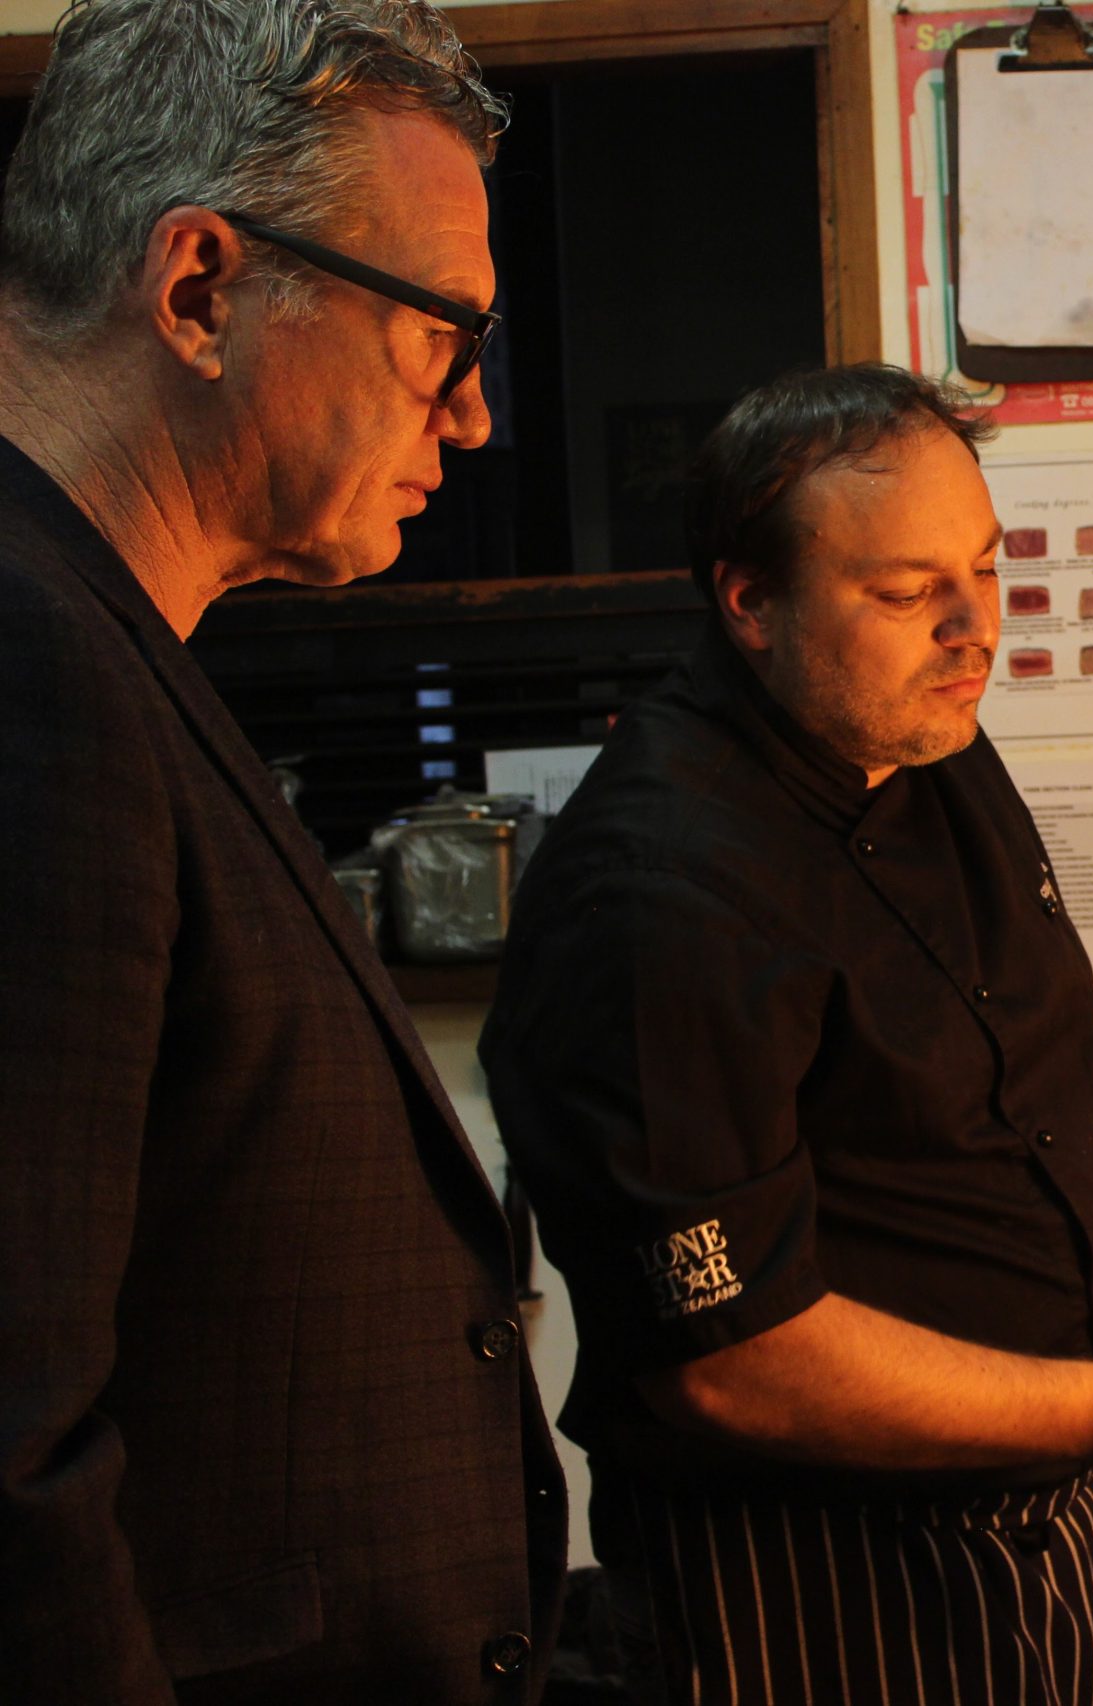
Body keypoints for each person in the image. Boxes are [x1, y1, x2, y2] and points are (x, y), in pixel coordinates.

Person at [479, 363, 1093, 1706]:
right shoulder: (661, 892)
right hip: (818, 1580)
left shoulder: (921, 732)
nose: (975, 628)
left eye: (985, 566)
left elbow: (997, 1049)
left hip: (1035, 1516)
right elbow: (732, 1362)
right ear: (750, 601)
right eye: (909, 591)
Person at [0, 3, 565, 1700]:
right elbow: (12, 1441)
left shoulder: (106, 642)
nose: (467, 421)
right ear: (198, 288)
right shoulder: (31, 670)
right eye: (442, 338)